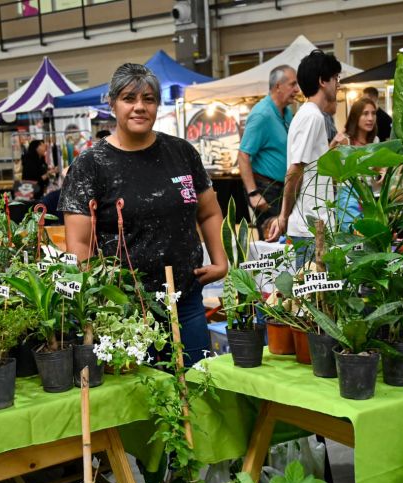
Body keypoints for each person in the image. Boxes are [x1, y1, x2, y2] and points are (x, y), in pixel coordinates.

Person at [59, 63, 227, 365]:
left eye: (148, 99)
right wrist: (97, 301)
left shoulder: (182, 153)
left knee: (198, 383)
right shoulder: (91, 165)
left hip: (184, 299)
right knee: (141, 398)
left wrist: (220, 260)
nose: (139, 107)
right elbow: (79, 244)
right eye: (129, 98)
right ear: (112, 104)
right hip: (126, 308)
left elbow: (210, 212)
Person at [266, 50, 341, 269]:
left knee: (317, 297)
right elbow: (295, 170)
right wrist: (283, 215)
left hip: (314, 224)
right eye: (336, 78)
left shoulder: (310, 115)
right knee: (313, 298)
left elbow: (307, 166)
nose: (339, 84)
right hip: (310, 226)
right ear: (322, 81)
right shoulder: (312, 116)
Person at [238, 64, 300, 238]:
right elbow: (243, 155)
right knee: (272, 240)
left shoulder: (287, 112)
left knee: (284, 239)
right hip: (266, 189)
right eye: (293, 84)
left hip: (283, 188)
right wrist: (253, 193)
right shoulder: (262, 114)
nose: (297, 89)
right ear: (278, 86)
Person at [333, 97, 379, 232]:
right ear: (356, 116)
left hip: (368, 194)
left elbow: (376, 168)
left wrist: (383, 170)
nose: (370, 118)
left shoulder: (375, 141)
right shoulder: (345, 140)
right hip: (348, 193)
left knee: (367, 237)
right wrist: (333, 144)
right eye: (365, 113)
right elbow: (326, 163)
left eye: (373, 113)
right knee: (352, 235)